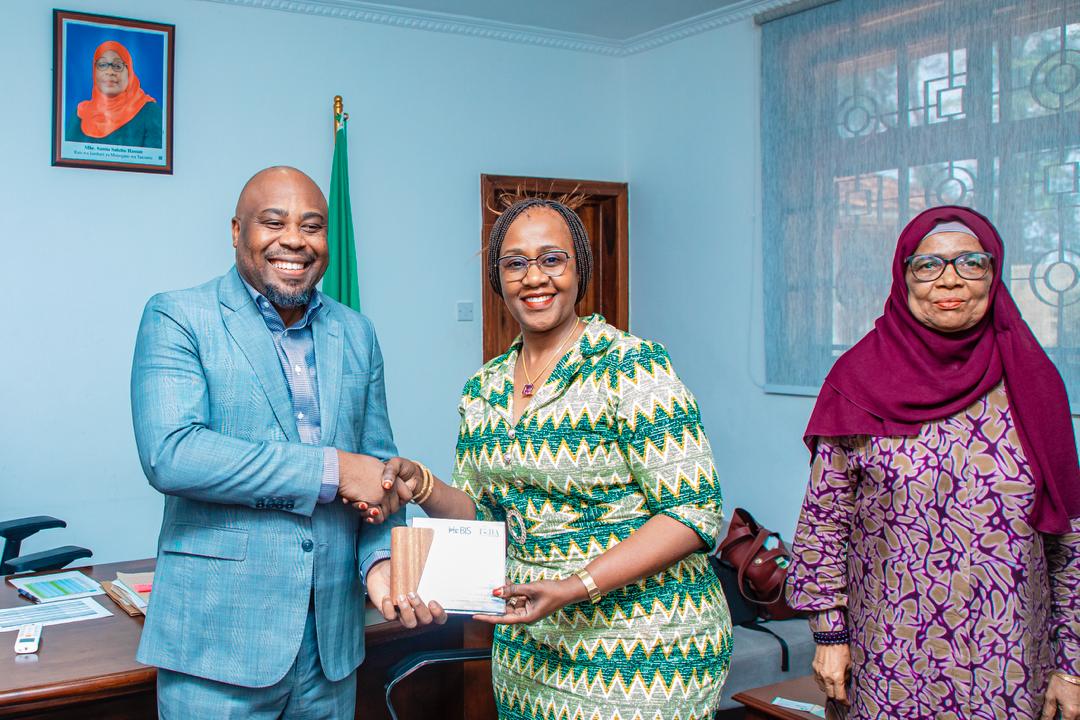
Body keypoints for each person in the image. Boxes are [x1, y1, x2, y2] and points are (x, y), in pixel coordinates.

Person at [359, 196, 732, 719]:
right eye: (516, 263)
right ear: (498, 278)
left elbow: (693, 512)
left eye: (552, 259)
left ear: (580, 269)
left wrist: (575, 586)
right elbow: (485, 518)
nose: (535, 277)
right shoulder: (483, 388)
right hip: (530, 652)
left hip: (644, 649)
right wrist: (422, 484)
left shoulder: (630, 366)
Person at [130, 166, 443, 719]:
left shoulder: (357, 332)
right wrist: (333, 469)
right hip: (217, 648)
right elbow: (172, 454)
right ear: (237, 232)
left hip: (331, 650)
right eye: (273, 223)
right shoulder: (178, 315)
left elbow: (378, 473)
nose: (295, 240)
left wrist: (378, 563)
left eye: (312, 226)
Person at [786, 205, 1080, 720]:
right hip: (889, 658)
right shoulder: (858, 380)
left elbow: (1070, 537)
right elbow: (824, 522)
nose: (950, 280)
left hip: (1010, 661)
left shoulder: (1034, 382)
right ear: (903, 277)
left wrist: (1072, 664)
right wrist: (829, 635)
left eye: (971, 263)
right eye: (928, 265)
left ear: (994, 274)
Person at [66, 40, 162, 147]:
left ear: (129, 72)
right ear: (94, 71)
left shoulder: (150, 112)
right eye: (102, 65)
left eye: (117, 66)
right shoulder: (80, 114)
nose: (110, 72)